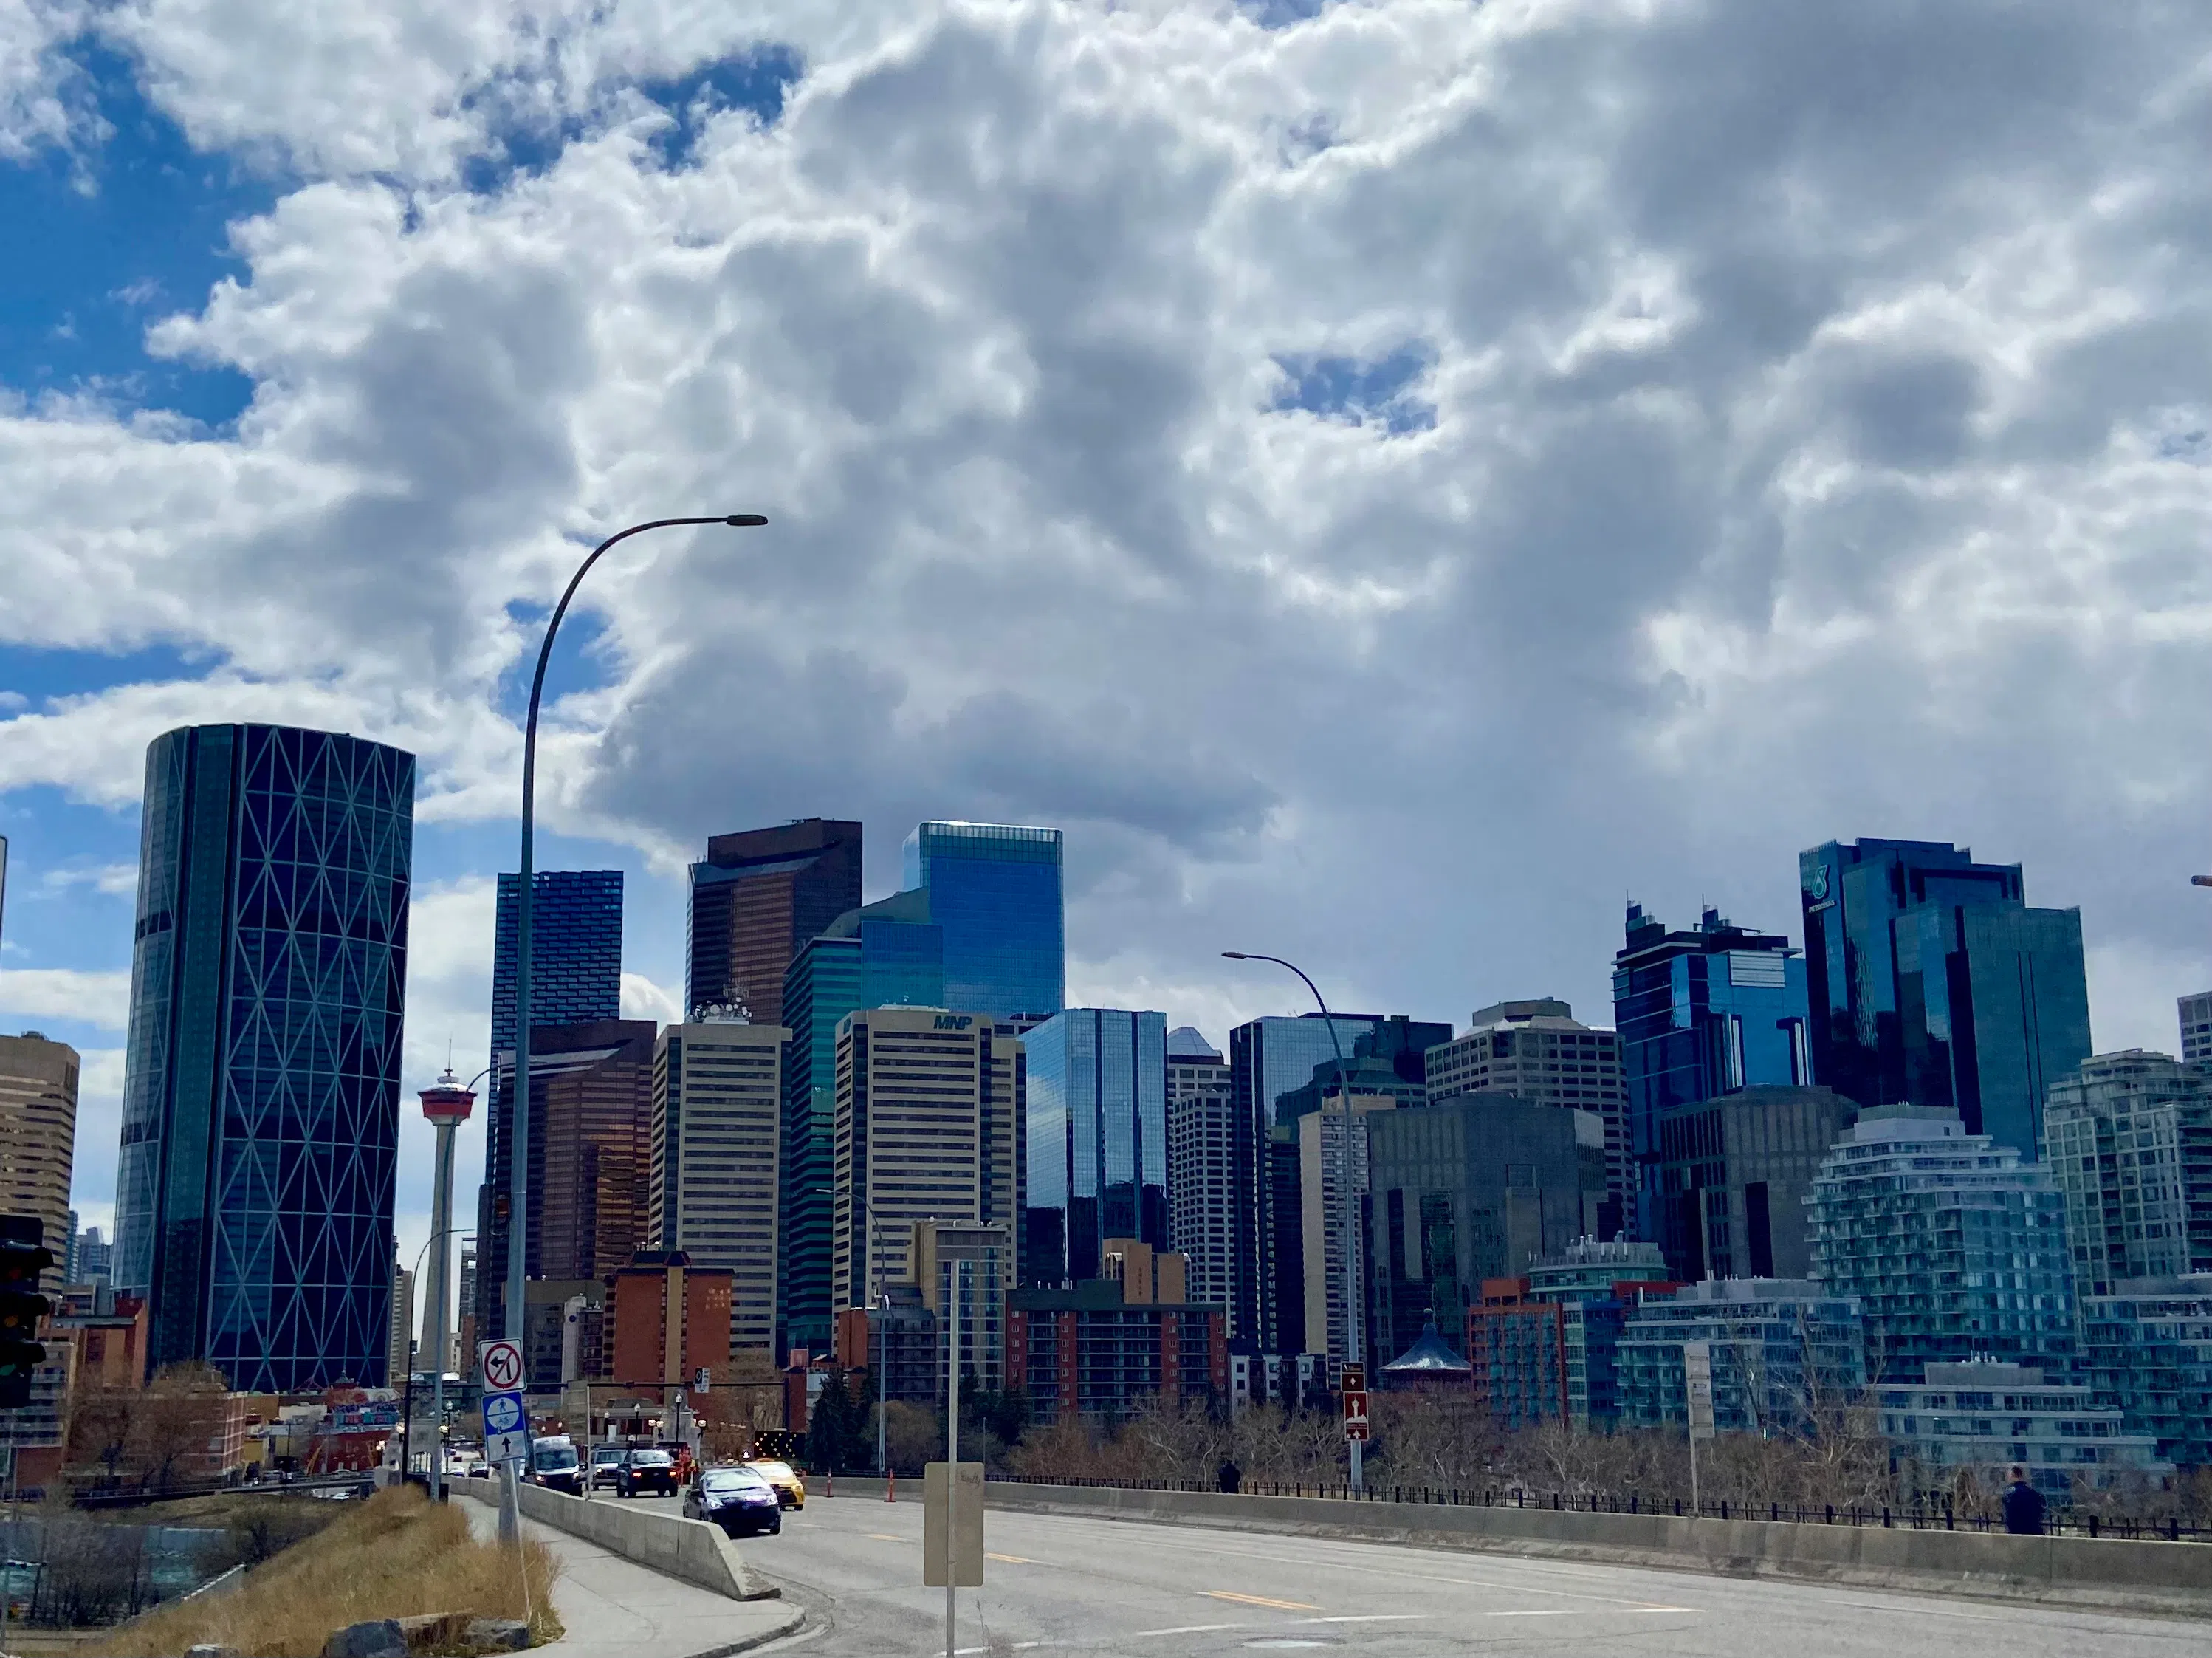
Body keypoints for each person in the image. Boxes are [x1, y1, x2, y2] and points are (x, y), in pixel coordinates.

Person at [2002, 1465, 2046, 1536]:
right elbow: (2041, 1511)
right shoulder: (2033, 1493)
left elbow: (2008, 1515)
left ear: (2012, 1475)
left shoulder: (2009, 1493)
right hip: (2034, 1530)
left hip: (2016, 1531)